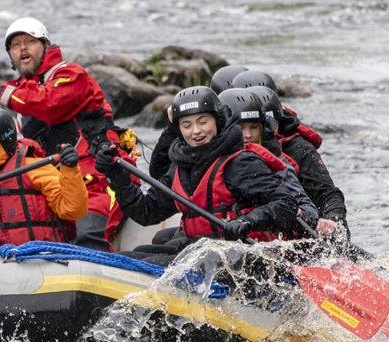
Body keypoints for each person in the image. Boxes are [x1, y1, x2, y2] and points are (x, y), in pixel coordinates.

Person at [0, 16, 134, 252]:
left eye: (29, 42)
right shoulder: (19, 95)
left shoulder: (71, 74)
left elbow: (47, 103)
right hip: (55, 183)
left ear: (45, 46)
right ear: (10, 55)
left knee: (87, 238)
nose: (22, 48)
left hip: (100, 177)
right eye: (15, 45)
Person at [92, 86, 298, 266]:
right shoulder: (180, 167)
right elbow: (146, 212)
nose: (196, 131)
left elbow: (285, 204)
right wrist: (116, 175)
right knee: (127, 259)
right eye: (187, 125)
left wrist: (248, 222)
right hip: (197, 249)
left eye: (202, 122)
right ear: (179, 129)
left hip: (241, 255)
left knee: (141, 264)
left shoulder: (240, 162)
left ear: (217, 121)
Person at [0, 107, 88, 246]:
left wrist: (70, 169)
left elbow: (74, 210)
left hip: (39, 256)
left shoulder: (35, 168)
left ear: (3, 146)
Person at [247, 85, 347, 238]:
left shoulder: (298, 149)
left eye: (255, 127)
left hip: (298, 227)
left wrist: (333, 224)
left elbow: (328, 194)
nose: (267, 131)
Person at [218, 88, 320, 237]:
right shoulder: (210, 155)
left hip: (260, 240)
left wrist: (298, 212)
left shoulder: (277, 163)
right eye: (240, 128)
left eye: (254, 128)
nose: (247, 135)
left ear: (262, 130)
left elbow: (309, 212)